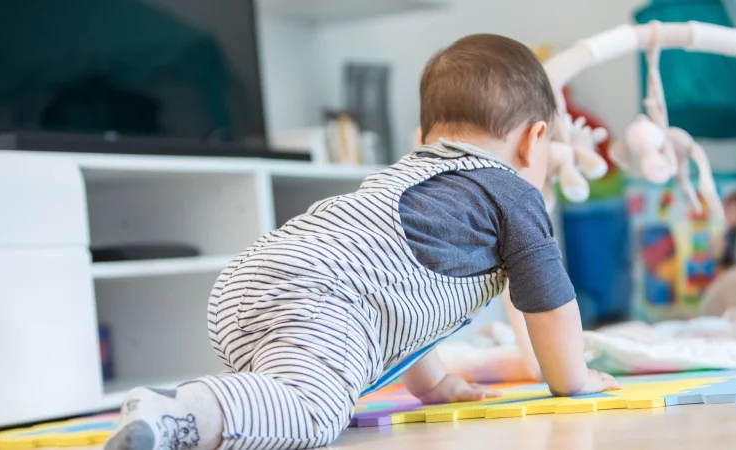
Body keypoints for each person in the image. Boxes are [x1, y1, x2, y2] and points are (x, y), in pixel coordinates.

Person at [105, 33, 620, 450]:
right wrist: (572, 381)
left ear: (423, 136)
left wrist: (434, 385)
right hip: (320, 292)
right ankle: (181, 414)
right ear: (534, 141)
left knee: (294, 390)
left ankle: (209, 405)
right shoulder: (513, 194)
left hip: (248, 285)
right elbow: (552, 304)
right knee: (315, 411)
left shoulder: (409, 179)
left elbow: (401, 304)